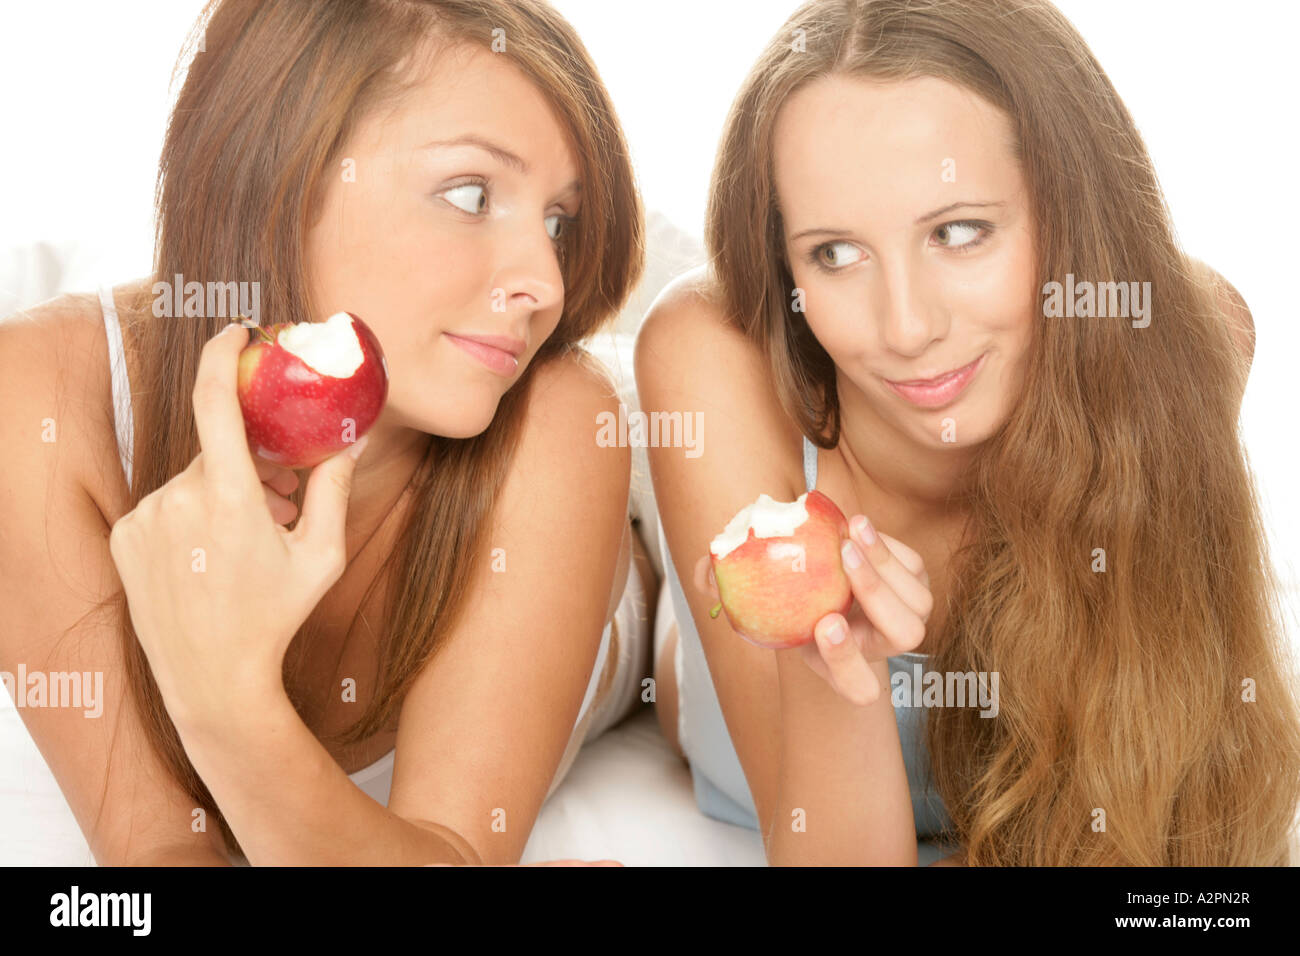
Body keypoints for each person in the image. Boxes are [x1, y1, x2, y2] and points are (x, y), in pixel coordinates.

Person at [636, 0, 1300, 866]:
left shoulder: (1184, 333)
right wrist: (841, 677)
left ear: (1073, 215)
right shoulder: (711, 351)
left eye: (959, 232)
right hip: (681, 577)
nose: (906, 326)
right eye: (833, 253)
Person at [0, 0, 649, 866]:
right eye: (469, 193)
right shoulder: (33, 399)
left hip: (646, 574)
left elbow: (452, 853)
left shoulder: (563, 415)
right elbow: (158, 857)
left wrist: (225, 700)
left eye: (558, 221)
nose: (544, 280)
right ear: (279, 174)